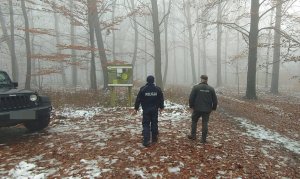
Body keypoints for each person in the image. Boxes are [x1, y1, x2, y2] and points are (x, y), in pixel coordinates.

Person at [134, 75, 164, 147]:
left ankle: (146, 140)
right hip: (154, 110)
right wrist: (161, 107)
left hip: (146, 110)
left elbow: (138, 99)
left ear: (147, 81)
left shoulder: (143, 89)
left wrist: (136, 107)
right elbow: (161, 99)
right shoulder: (158, 89)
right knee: (154, 123)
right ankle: (154, 138)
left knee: (146, 124)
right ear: (153, 81)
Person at [188, 75, 218, 144]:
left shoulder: (196, 87)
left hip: (197, 108)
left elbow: (191, 98)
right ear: (207, 80)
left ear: (201, 79)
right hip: (207, 109)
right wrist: (213, 108)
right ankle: (203, 139)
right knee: (205, 123)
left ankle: (193, 136)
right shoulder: (211, 89)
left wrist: (191, 106)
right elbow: (215, 101)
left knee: (194, 121)